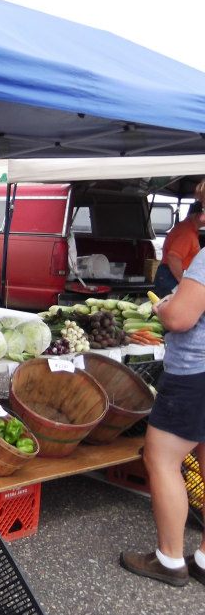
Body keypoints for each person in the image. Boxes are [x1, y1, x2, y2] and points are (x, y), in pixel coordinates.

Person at [120, 247, 205, 587]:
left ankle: (169, 559)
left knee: (161, 458)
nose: (200, 216)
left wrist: (163, 307)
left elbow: (180, 318)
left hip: (194, 373)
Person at [153, 200, 205, 297]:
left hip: (169, 274)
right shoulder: (187, 233)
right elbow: (173, 258)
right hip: (171, 276)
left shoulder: (188, 229)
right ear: (195, 215)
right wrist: (182, 282)